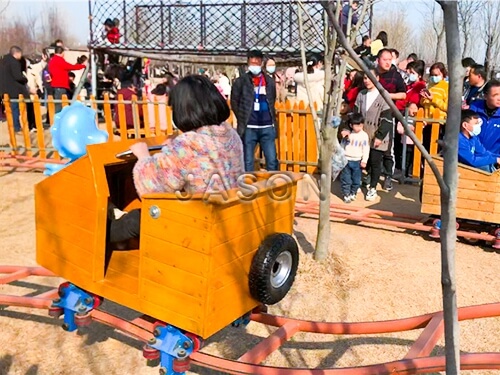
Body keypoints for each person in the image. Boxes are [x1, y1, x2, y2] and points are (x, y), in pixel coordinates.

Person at [108, 75, 244, 244]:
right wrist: (170, 149)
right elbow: (191, 165)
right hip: (228, 215)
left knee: (134, 220)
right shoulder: (230, 134)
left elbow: (153, 187)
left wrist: (143, 156)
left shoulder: (188, 144)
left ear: (185, 109)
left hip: (198, 223)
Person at [231, 49, 278, 172]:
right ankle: (248, 187)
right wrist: (242, 118)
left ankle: (273, 186)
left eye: (257, 63)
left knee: (272, 160)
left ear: (261, 63)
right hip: (249, 127)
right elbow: (234, 102)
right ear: (247, 63)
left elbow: (272, 99)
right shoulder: (241, 82)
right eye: (252, 63)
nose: (254, 66)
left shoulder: (269, 82)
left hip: (267, 126)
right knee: (248, 161)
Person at [354, 69, 393, 201]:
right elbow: (356, 114)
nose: (367, 80)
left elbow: (387, 119)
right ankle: (359, 182)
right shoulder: (361, 95)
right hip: (363, 134)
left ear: (377, 78)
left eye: (370, 77)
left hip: (377, 133)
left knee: (376, 161)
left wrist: (380, 136)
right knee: (362, 160)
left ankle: (373, 187)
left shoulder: (383, 95)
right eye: (365, 78)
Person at [377, 48, 407, 191]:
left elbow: (403, 95)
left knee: (388, 148)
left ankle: (388, 176)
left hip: (388, 114)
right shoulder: (372, 73)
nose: (388, 62)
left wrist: (388, 95)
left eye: (390, 59)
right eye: (385, 59)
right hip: (370, 114)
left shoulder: (396, 76)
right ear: (378, 59)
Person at [339, 113, 370, 203]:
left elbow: (366, 149)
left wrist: (364, 160)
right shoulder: (348, 134)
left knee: (356, 179)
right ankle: (346, 194)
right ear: (351, 125)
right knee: (346, 178)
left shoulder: (364, 136)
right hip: (346, 160)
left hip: (357, 161)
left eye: (361, 125)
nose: (359, 127)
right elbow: (342, 146)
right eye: (357, 125)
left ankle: (353, 192)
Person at [0, 46, 29, 133]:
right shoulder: (14, 62)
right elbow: (17, 76)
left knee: (8, 108)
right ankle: (16, 127)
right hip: (13, 88)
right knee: (15, 108)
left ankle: (11, 125)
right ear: (16, 53)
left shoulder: (3, 61)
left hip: (3, 88)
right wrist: (25, 79)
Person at [48, 46, 86, 113]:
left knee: (57, 104)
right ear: (62, 53)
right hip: (61, 86)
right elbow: (70, 66)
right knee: (60, 106)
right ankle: (59, 121)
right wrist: (82, 66)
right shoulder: (59, 60)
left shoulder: (52, 61)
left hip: (55, 86)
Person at [470, 79, 500, 154]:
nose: (499, 98)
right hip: (471, 155)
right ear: (485, 96)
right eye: (495, 95)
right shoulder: (474, 108)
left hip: (493, 159)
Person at [396, 102, 419, 177]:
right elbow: (399, 129)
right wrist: (408, 129)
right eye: (412, 108)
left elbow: (423, 126)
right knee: (406, 158)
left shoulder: (418, 119)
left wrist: (415, 128)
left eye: (415, 108)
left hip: (416, 143)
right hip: (406, 142)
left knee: (413, 159)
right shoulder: (403, 118)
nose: (414, 110)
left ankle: (410, 173)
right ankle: (404, 173)